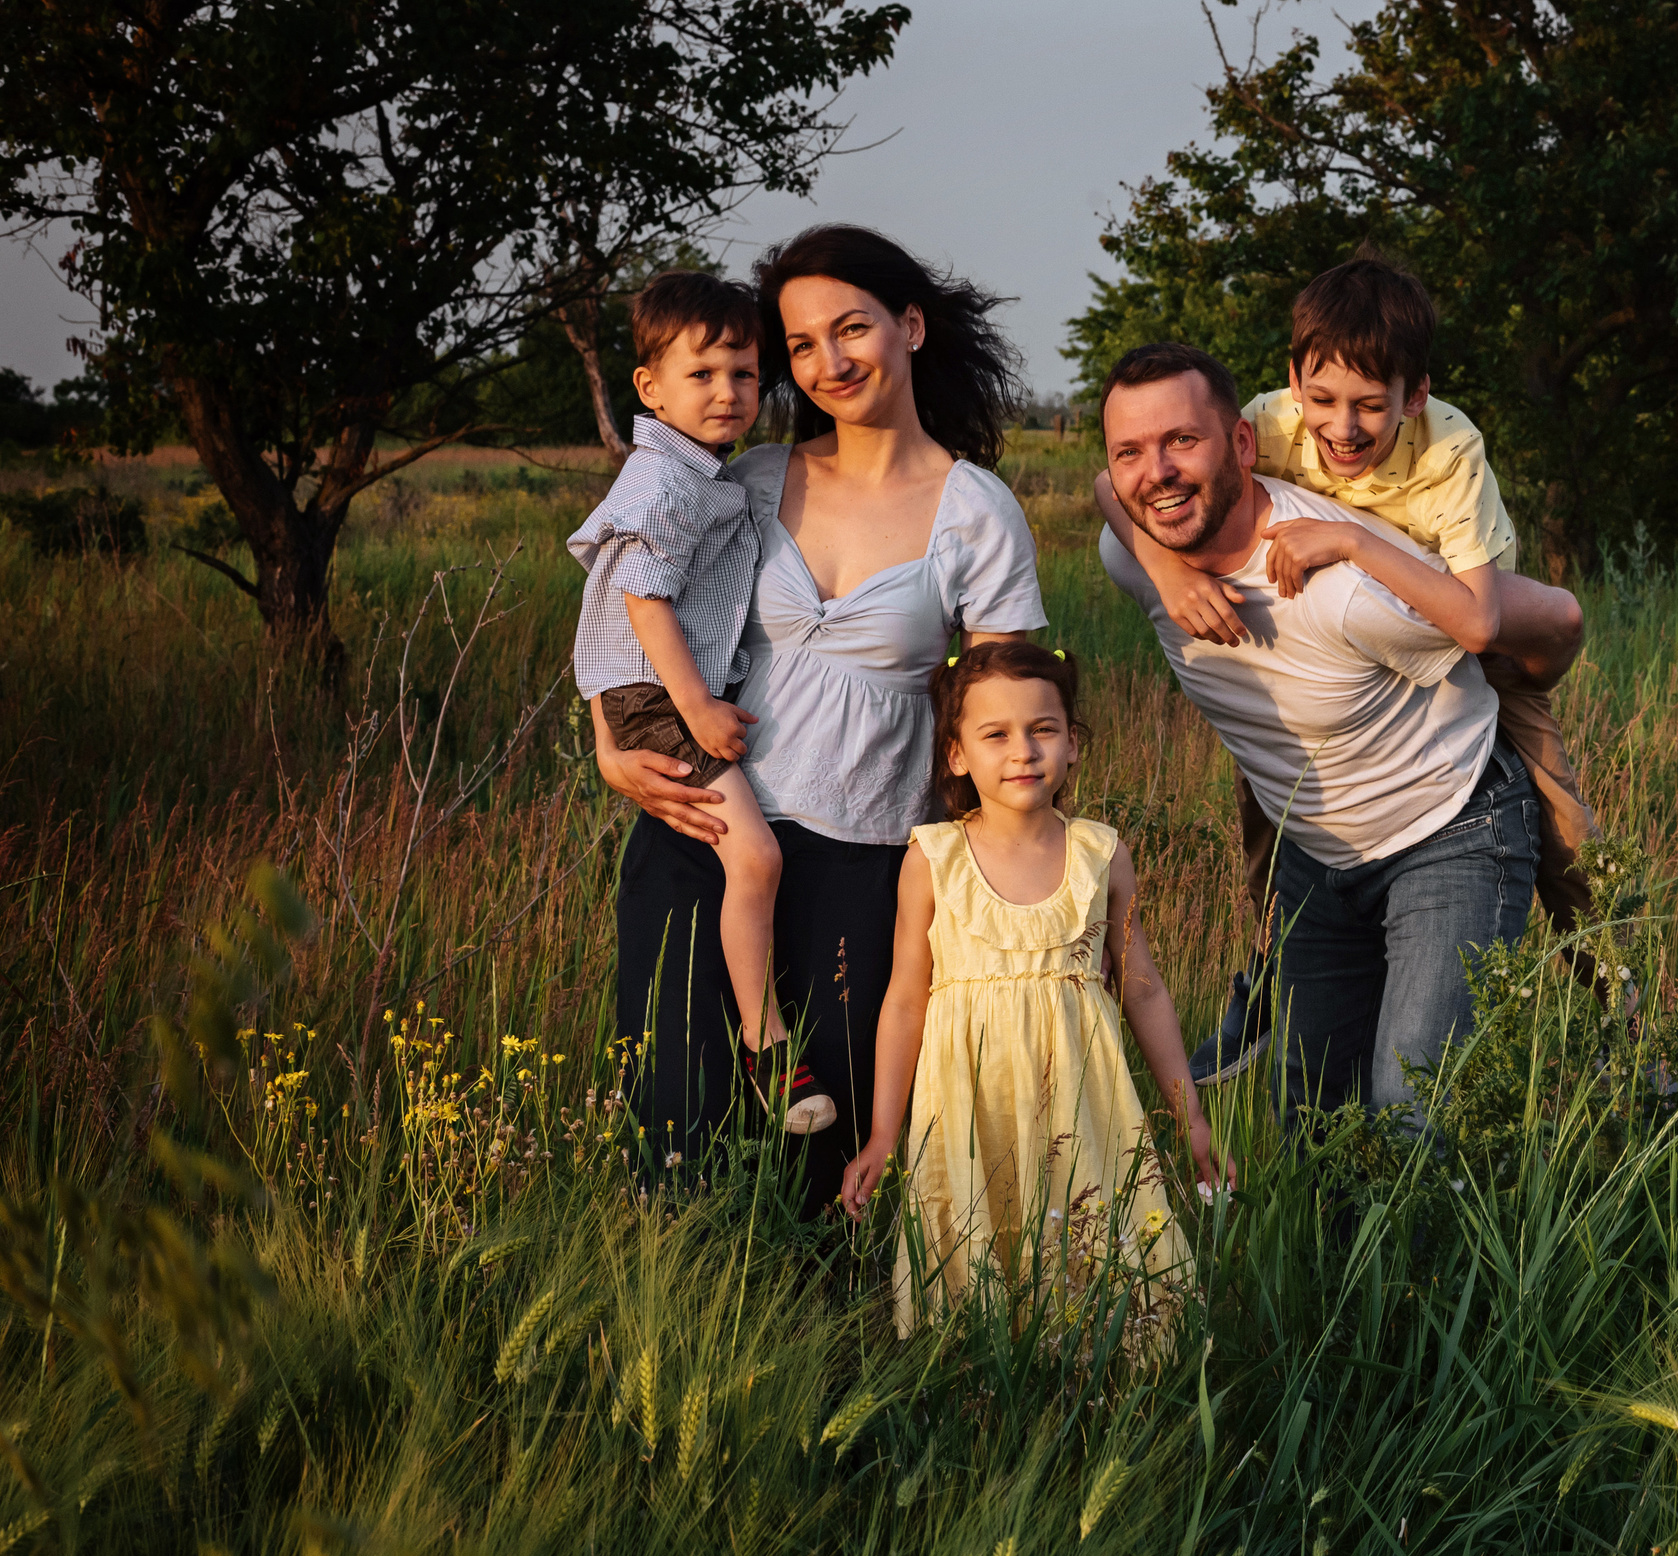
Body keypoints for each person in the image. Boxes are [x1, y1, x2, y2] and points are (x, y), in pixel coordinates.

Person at [592, 226, 1045, 1212]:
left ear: (911, 325)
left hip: (863, 861)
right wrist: (607, 739)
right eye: (800, 344)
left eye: (851, 329)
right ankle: (681, 1335)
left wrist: (1003, 876)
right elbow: (635, 596)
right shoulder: (751, 482)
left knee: (825, 1155)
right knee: (679, 1137)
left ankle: (835, 1359)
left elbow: (1014, 710)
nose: (828, 362)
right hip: (702, 832)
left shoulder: (977, 510)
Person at [1099, 257, 1602, 1088]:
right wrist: (1166, 571)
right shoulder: (1169, 521)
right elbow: (1110, 488)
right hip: (1319, 838)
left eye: (1182, 441)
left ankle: (1625, 1014)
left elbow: (1493, 622)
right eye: (1135, 452)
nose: (1344, 427)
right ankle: (1261, 978)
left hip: (1455, 733)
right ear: (1292, 388)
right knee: (1314, 1130)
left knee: (1567, 843)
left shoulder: (1429, 478)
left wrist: (1355, 542)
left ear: (1414, 396)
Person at [837, 643, 1225, 1332]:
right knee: (977, 1255)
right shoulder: (933, 859)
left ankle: (1102, 1371)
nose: (1023, 750)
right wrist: (884, 1132)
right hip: (970, 1110)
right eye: (996, 734)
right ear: (956, 754)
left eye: (1043, 729)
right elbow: (904, 1000)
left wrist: (1188, 1116)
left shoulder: (1100, 853)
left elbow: (1145, 992)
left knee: (1095, 1252)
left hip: (1082, 1109)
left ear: (1073, 745)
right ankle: (979, 1389)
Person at [570, 271, 834, 1134]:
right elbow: (643, 598)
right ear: (649, 387)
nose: (729, 393)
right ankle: (768, 1044)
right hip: (662, 694)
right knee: (754, 860)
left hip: (646, 690)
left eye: (746, 375)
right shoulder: (669, 484)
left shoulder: (685, 470)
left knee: (742, 861)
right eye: (704, 374)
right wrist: (698, 709)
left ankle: (757, 1038)